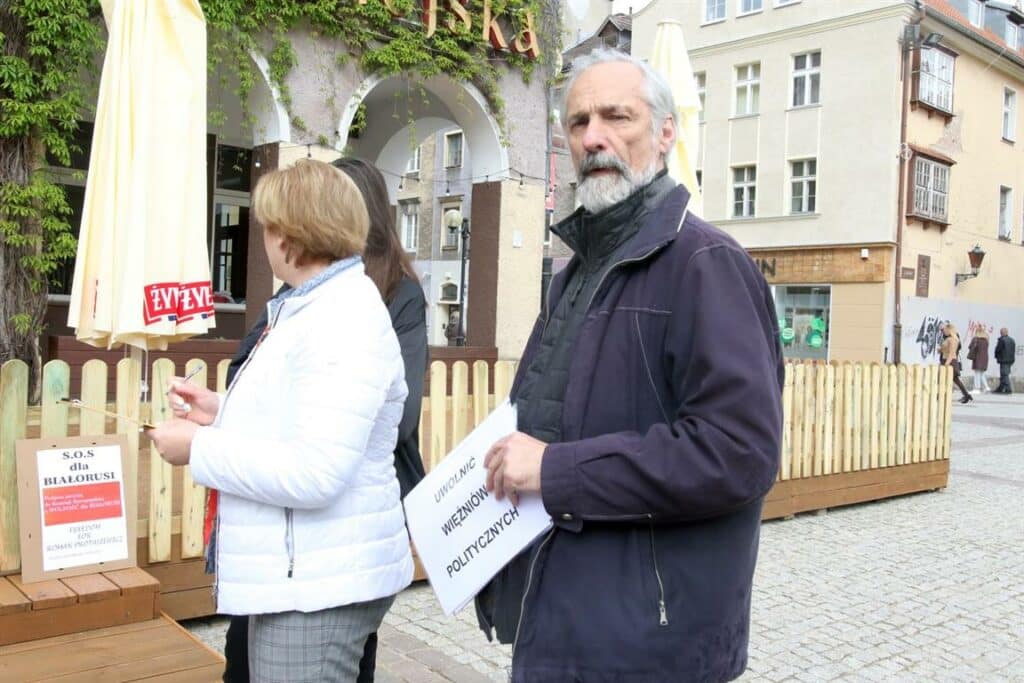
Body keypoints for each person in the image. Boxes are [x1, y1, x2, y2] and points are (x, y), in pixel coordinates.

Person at [474, 48, 784, 682]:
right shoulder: (574, 274)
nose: (594, 138)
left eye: (617, 117)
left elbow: (739, 452)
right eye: (579, 121)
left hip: (649, 645)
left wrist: (556, 469)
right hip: (562, 621)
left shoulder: (705, 264)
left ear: (667, 132)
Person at [148, 160, 414, 681]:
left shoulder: (340, 319)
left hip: (316, 585)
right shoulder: (313, 306)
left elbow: (315, 471)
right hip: (308, 574)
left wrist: (198, 450)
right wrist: (219, 411)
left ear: (293, 236)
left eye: (268, 224)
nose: (263, 237)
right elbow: (305, 417)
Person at [941, 323, 972, 404]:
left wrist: (946, 364)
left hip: (949, 361)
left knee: (942, 379)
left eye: (944, 330)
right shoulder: (950, 338)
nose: (943, 331)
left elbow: (951, 353)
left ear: (949, 330)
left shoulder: (953, 339)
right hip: (948, 360)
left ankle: (941, 395)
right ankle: (966, 395)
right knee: (955, 380)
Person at [967, 328, 990, 394]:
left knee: (977, 373)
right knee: (982, 374)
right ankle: (986, 387)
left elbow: (970, 347)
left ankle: (977, 388)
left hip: (978, 358)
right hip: (985, 358)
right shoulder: (986, 340)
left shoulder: (976, 339)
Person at [994, 327, 1017, 394]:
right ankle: (1000, 388)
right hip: (1010, 360)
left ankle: (1008, 389)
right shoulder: (1012, 340)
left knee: (1004, 374)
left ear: (1001, 333)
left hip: (1003, 360)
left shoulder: (1002, 340)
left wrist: (996, 356)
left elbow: (998, 349)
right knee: (1004, 374)